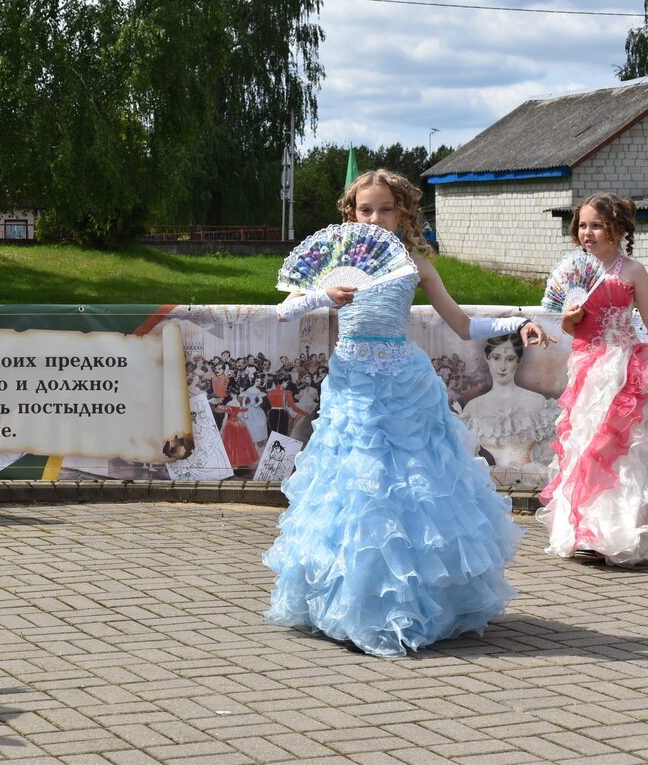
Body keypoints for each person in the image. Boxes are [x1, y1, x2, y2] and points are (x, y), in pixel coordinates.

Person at [262, 169, 551, 657]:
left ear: (403, 214)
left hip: (403, 381)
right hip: (353, 383)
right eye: (365, 209)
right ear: (351, 214)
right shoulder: (337, 261)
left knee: (413, 485)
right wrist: (322, 295)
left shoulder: (413, 263)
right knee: (355, 484)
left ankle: (417, 599)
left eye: (385, 209)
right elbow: (283, 311)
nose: (375, 218)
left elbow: (462, 324)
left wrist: (520, 323)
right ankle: (349, 600)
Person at [539, 193, 648, 565]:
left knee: (617, 448)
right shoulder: (575, 272)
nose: (588, 233)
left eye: (597, 225)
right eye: (582, 225)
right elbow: (569, 328)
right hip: (587, 368)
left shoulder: (632, 271)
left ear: (618, 229)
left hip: (623, 368)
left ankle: (618, 531)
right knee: (584, 446)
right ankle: (584, 530)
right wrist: (570, 316)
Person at [457, 333, 557, 485]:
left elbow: (550, 454)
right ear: (487, 357)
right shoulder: (472, 407)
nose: (502, 367)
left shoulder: (537, 401)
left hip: (532, 485)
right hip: (486, 486)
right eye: (496, 358)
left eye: (509, 359)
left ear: (518, 361)